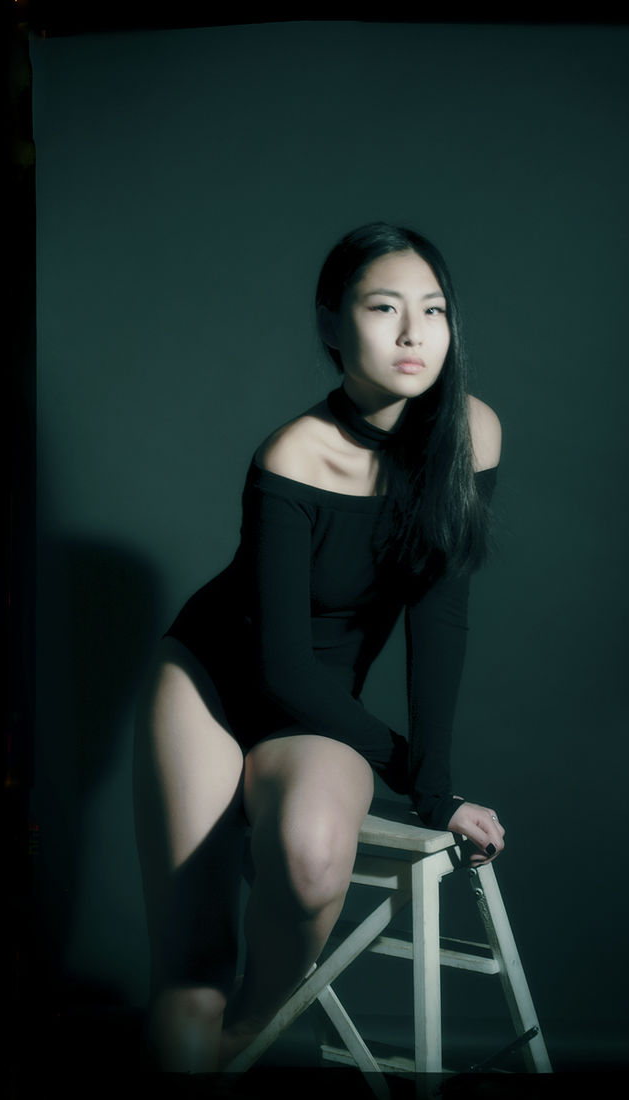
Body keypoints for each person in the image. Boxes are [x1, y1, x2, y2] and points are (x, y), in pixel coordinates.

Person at [133, 222, 505, 1073]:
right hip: (211, 684)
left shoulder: (470, 433)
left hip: (316, 705)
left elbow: (439, 620)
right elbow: (280, 666)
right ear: (331, 324)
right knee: (190, 972)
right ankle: (197, 1041)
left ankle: (240, 1040)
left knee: (309, 862)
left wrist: (434, 791)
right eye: (383, 308)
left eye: (433, 310)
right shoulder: (294, 455)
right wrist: (412, 773)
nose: (413, 334)